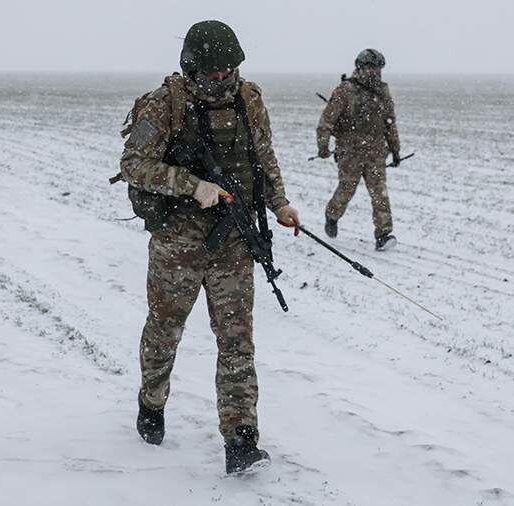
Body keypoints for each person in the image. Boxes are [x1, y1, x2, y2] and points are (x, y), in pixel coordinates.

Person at [118, 19, 300, 474]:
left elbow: (264, 156)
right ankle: (151, 404)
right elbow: (133, 164)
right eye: (213, 74)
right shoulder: (165, 105)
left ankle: (240, 440)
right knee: (164, 333)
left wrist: (280, 203)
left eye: (229, 71)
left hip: (233, 241)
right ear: (193, 69)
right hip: (177, 242)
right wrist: (189, 183)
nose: (222, 80)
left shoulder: (249, 99)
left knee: (237, 341)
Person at [316, 48, 401, 251]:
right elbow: (326, 121)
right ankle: (332, 215)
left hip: (376, 154)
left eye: (378, 68)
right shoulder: (345, 90)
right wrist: (323, 146)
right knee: (346, 191)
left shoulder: (382, 92)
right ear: (359, 67)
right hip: (350, 154)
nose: (375, 72)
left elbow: (390, 123)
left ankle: (383, 234)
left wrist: (396, 150)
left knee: (380, 194)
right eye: (370, 68)